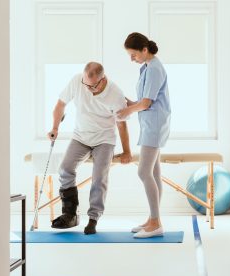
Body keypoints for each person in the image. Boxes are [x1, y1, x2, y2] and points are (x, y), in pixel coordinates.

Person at [49, 62, 132, 234]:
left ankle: (93, 217)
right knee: (65, 169)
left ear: (102, 80)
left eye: (92, 86)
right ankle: (70, 214)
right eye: (86, 85)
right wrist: (55, 127)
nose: (88, 89)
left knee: (99, 176)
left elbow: (122, 125)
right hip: (80, 137)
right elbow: (60, 105)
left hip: (104, 140)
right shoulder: (77, 82)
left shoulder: (115, 94)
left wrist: (127, 151)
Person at [117, 32, 171, 238]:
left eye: (133, 54)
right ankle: (152, 219)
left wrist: (127, 111)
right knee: (154, 173)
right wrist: (128, 103)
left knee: (143, 172)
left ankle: (156, 223)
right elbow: (143, 100)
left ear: (144, 50)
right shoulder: (147, 67)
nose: (132, 58)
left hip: (154, 125)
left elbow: (147, 103)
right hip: (151, 123)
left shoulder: (155, 68)